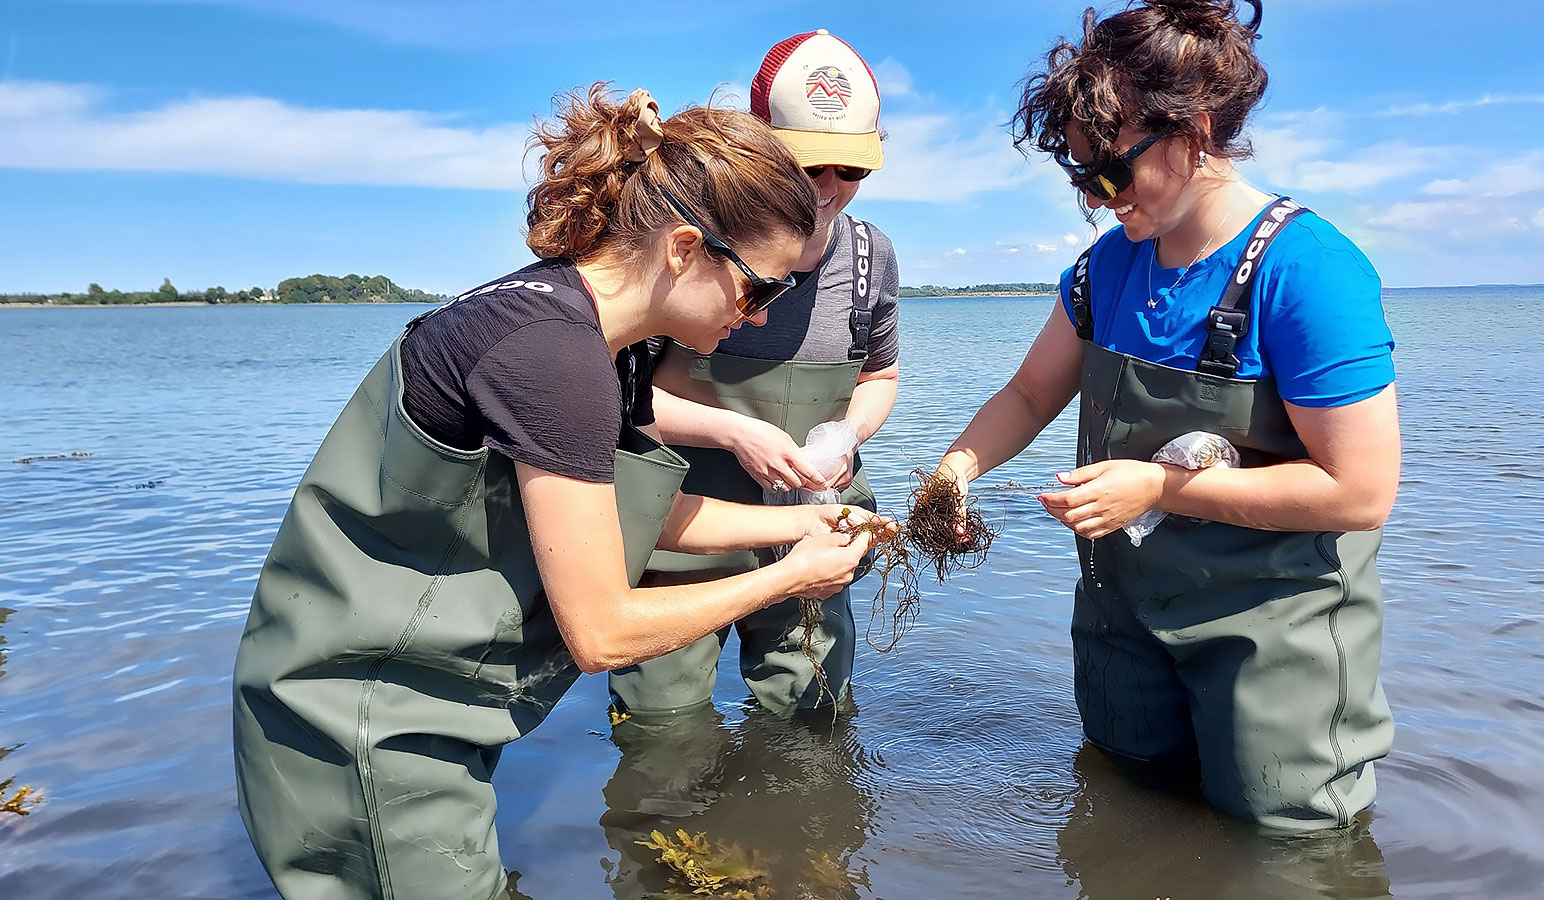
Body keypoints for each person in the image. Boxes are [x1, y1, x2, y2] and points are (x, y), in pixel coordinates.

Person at [232, 84, 888, 900]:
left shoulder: (592, 336)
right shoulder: (554, 358)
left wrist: (800, 528)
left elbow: (633, 516)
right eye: (759, 288)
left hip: (419, 706)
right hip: (365, 724)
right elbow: (602, 634)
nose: (758, 318)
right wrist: (790, 578)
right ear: (685, 249)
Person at [935, 0, 1399, 830]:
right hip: (1123, 619)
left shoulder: (1309, 270)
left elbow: (1359, 492)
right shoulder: (1104, 269)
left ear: (1194, 131)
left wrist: (1158, 488)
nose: (1094, 198)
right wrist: (955, 469)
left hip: (1274, 634)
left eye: (1109, 172)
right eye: (1080, 176)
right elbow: (1031, 394)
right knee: (1123, 815)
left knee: (1285, 847)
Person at [608, 30, 901, 719]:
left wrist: (846, 434)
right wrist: (733, 431)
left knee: (814, 716)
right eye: (809, 166)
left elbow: (879, 377)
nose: (828, 189)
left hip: (812, 527)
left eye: (850, 170)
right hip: (682, 530)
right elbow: (617, 396)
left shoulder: (870, 259)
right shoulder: (687, 248)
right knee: (658, 724)